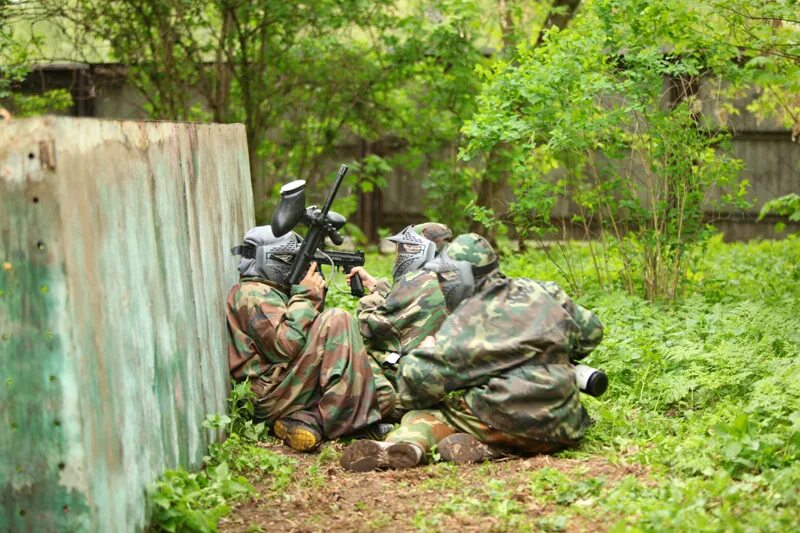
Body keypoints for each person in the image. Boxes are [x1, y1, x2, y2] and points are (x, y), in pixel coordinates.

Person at [340, 233, 604, 470]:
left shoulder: (465, 321)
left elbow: (418, 382)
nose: (442, 285)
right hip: (563, 427)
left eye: (445, 278)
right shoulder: (544, 291)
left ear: (462, 278)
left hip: (504, 421)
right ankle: (489, 450)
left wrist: (427, 349)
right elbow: (591, 334)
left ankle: (407, 446)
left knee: (420, 416)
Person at [226, 225, 386, 452]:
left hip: (283, 385)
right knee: (337, 319)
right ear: (273, 257)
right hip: (269, 396)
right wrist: (307, 294)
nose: (295, 265)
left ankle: (305, 421)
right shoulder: (252, 292)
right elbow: (285, 347)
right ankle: (338, 420)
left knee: (382, 394)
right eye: (291, 258)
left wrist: (308, 295)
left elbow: (306, 332)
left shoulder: (270, 290)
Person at [345, 224, 452, 416]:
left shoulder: (415, 280)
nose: (397, 258)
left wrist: (368, 303)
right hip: (452, 378)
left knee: (354, 349)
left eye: (400, 251)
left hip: (420, 380)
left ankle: (390, 405)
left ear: (418, 249)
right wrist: (377, 285)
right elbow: (411, 304)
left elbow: (372, 327)